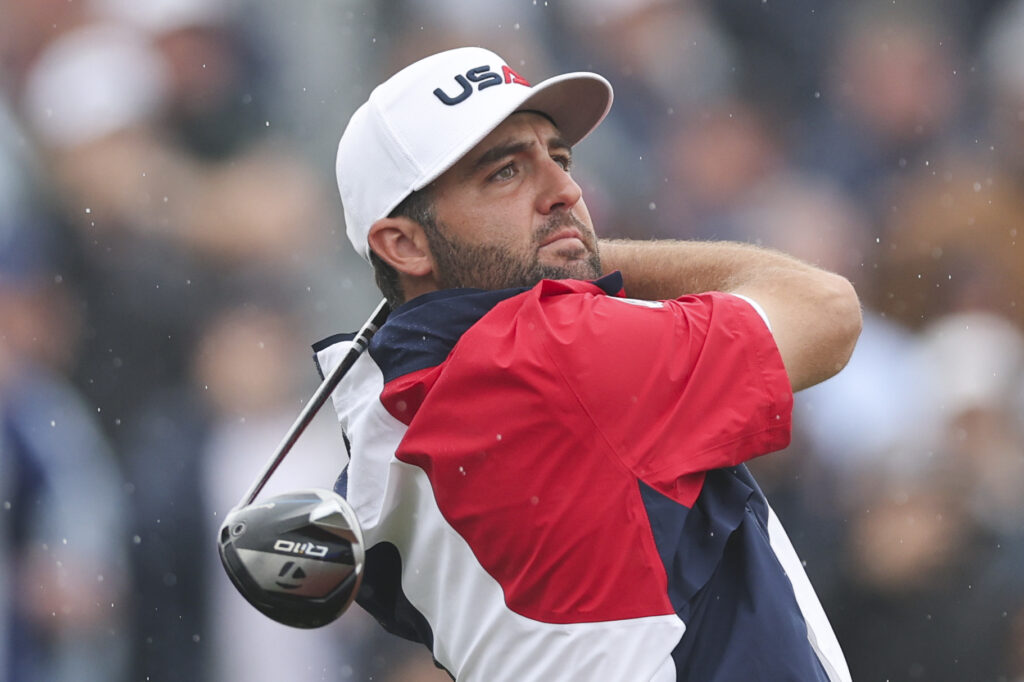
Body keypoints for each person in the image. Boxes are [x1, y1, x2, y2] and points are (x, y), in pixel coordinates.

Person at [315, 46, 861, 681]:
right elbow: (827, 311)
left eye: (560, 159)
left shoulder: (392, 413)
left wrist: (561, 250)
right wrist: (584, 255)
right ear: (404, 245)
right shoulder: (552, 352)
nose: (566, 190)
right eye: (505, 173)